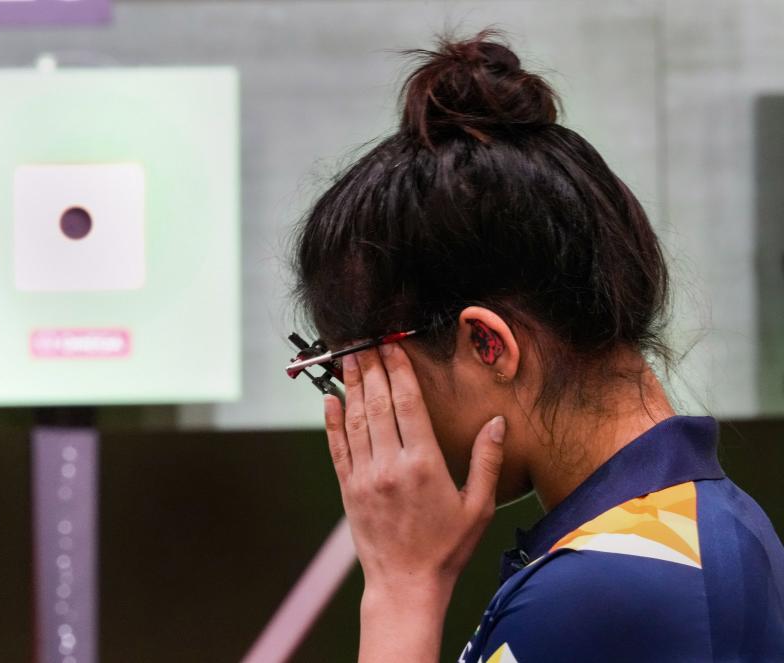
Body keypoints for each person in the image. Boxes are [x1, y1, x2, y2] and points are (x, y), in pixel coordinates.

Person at [290, 30, 784, 662]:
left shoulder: (605, 587)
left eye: (357, 368)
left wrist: (401, 586)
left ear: (485, 344)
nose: (364, 411)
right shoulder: (691, 527)